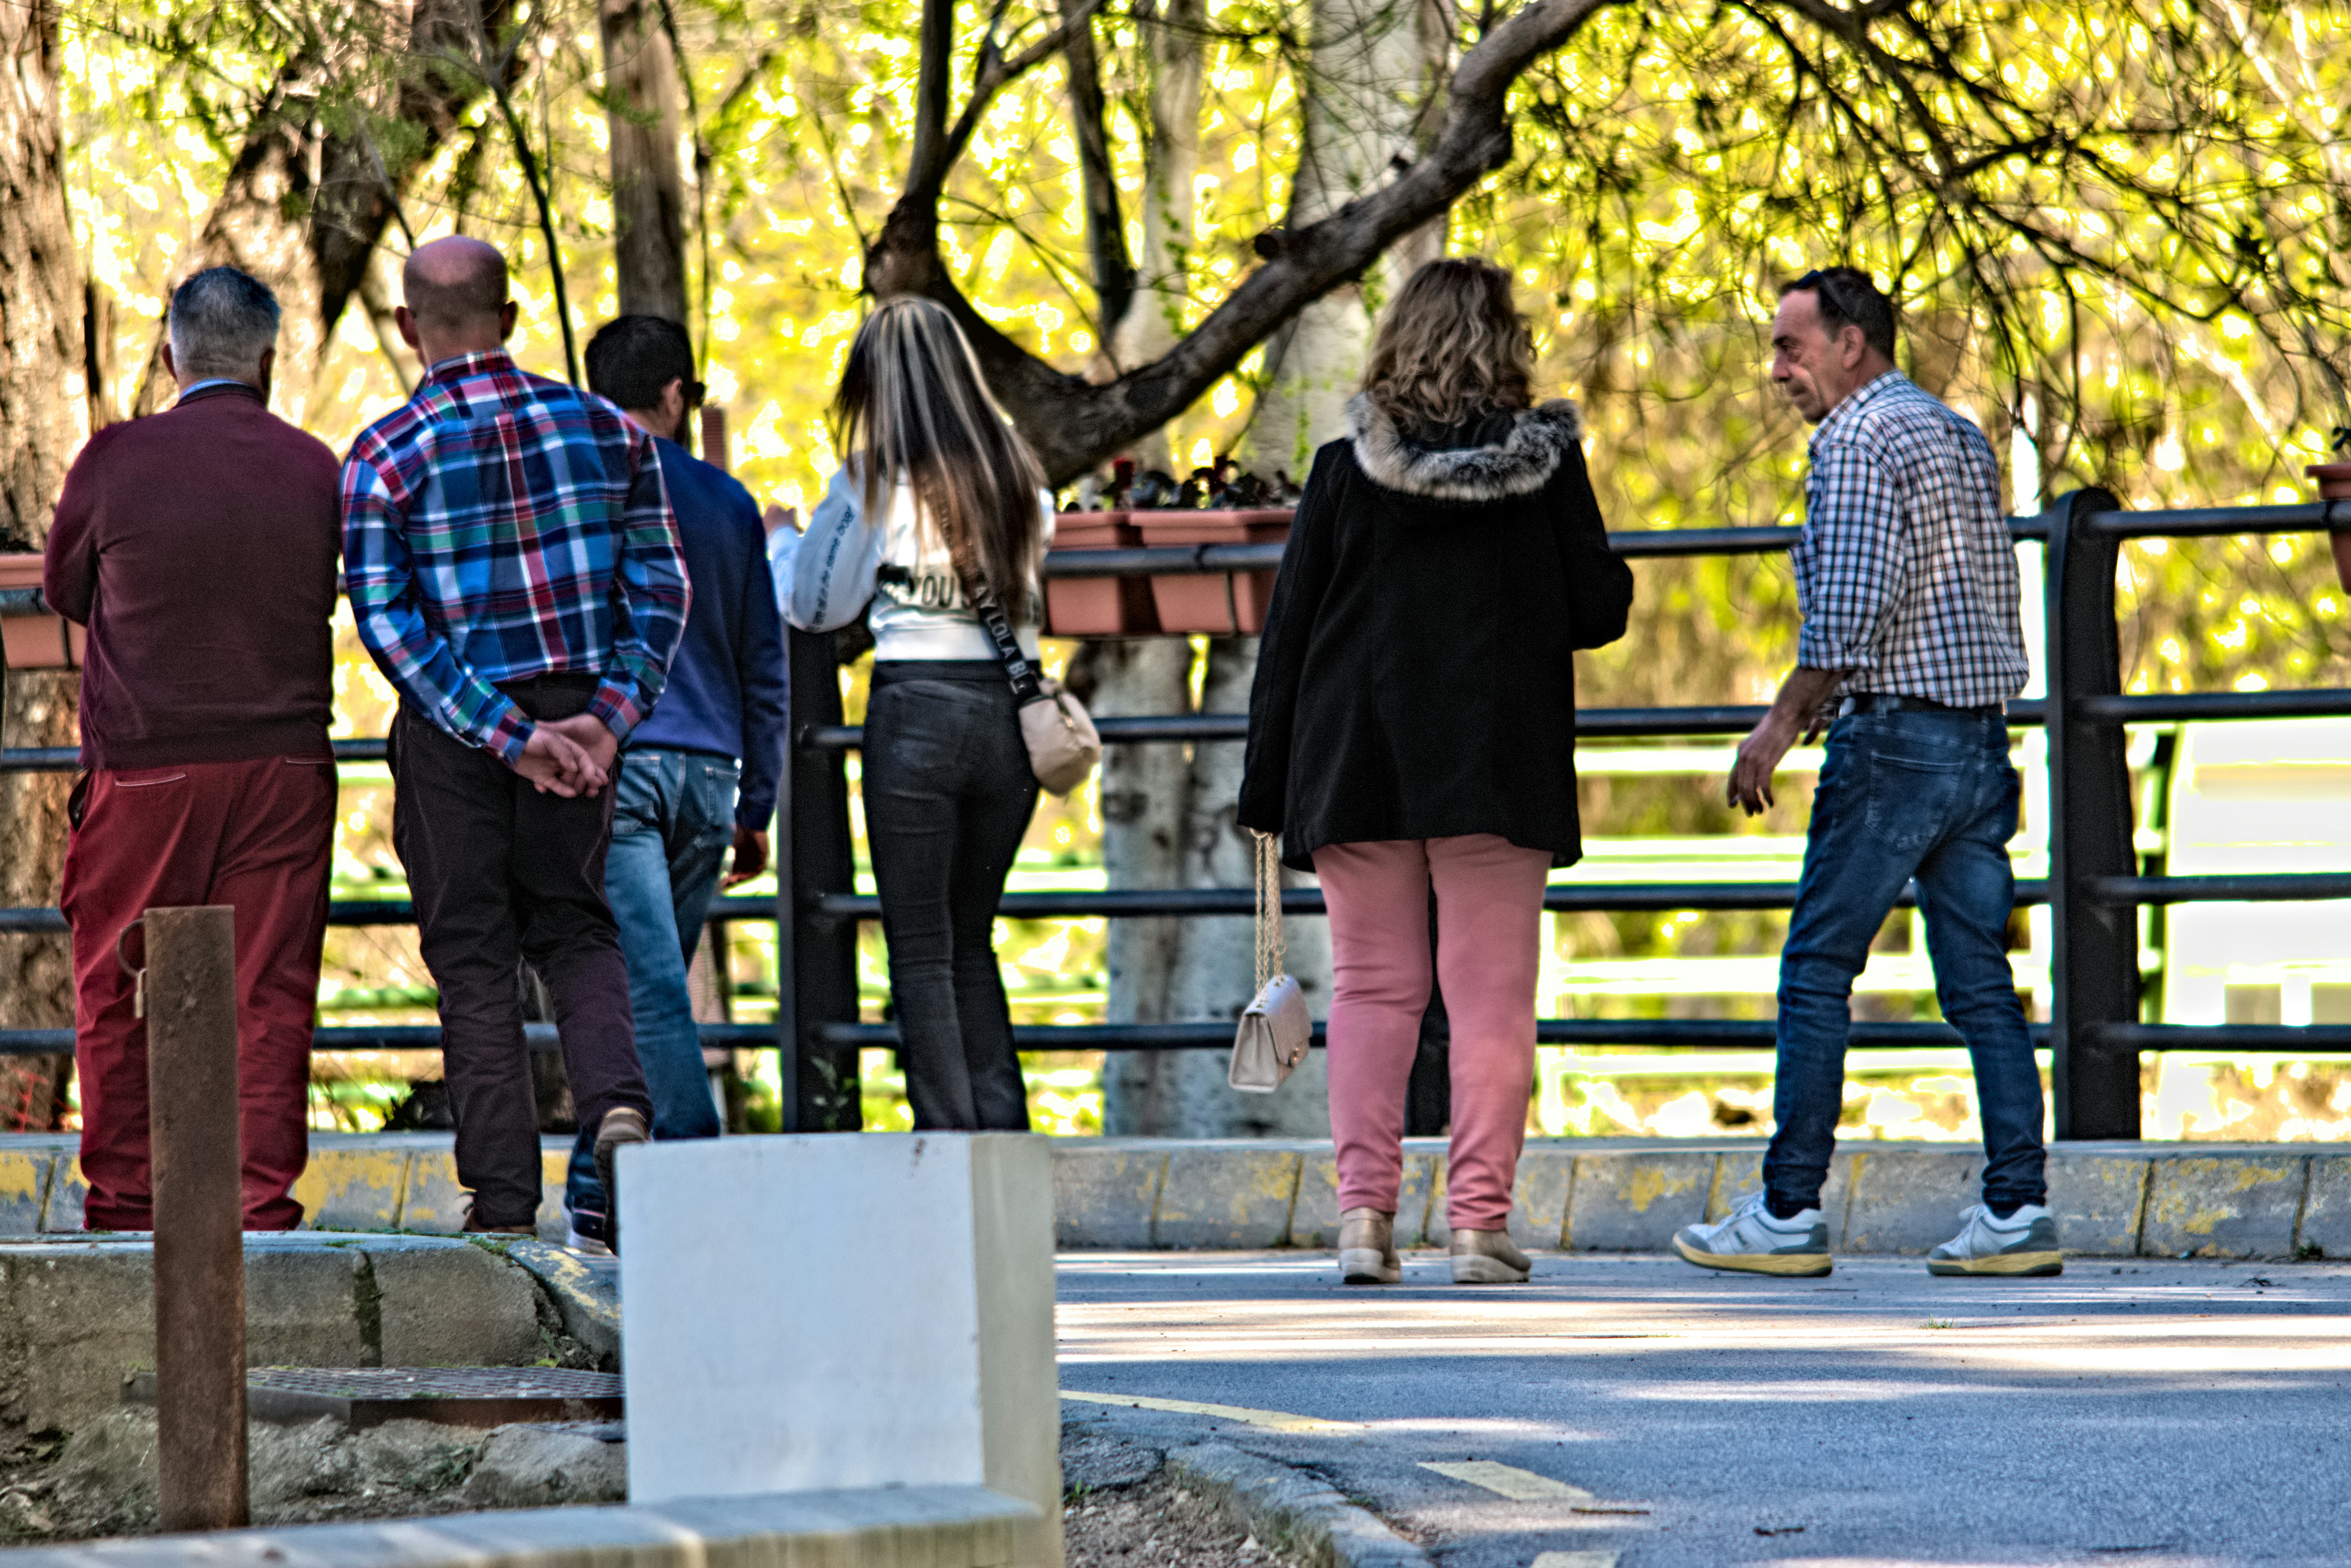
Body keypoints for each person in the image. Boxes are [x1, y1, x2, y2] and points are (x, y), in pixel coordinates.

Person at [1238, 258, 1634, 1286]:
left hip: (1354, 758)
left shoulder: (1339, 472)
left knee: (1373, 988)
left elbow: (1283, 641)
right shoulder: (1545, 471)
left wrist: (1265, 788)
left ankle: (1363, 1221)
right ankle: (1474, 1227)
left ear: (1395, 343)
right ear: (1504, 347)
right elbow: (1597, 610)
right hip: (1494, 761)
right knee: (1491, 993)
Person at [1674, 266, 2058, 1279]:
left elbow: (1844, 617)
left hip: (1890, 744)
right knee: (1981, 986)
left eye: (1789, 347)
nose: (1775, 371)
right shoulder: (1955, 432)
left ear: (1852, 343)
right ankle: (2015, 1208)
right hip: (1979, 741)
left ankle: (1787, 1208)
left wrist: (1773, 727)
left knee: (1814, 970)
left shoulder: (1852, 441)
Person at [341, 237, 686, 1244]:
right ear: (515, 315)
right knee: (578, 928)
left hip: (456, 734)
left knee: (473, 958)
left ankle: (501, 1206)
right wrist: (602, 720)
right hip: (577, 710)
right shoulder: (608, 434)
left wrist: (504, 733)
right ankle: (618, 1106)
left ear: (410, 327)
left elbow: (389, 625)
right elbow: (663, 590)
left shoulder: (382, 454)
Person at [44, 266, 342, 1231]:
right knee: (269, 990)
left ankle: (128, 1208)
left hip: (149, 764)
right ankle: (260, 1211)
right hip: (289, 765)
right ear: (268, 359)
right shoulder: (314, 467)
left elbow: (65, 590)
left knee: (119, 981)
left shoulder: (114, 459)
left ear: (172, 354)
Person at [780, 296, 1054, 1130]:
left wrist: (788, 539)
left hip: (916, 713)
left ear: (872, 385)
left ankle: (948, 1145)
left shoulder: (872, 479)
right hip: (1011, 716)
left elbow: (815, 603)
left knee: (921, 948)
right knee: (973, 937)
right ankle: (1003, 1142)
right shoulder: (1021, 476)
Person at [558, 315, 788, 1252]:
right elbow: (765, 663)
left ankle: (697, 1178)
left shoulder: (580, 491)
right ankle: (592, 1198)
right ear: (677, 395)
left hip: (618, 764)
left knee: (642, 995)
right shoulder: (727, 501)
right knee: (646, 992)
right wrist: (758, 804)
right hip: (708, 774)